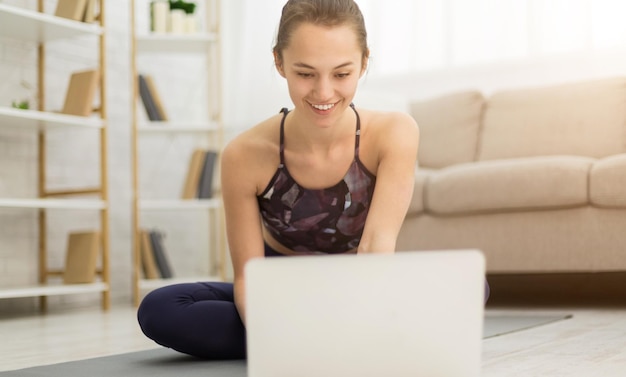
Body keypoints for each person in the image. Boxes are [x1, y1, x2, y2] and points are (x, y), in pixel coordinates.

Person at [137, 0, 419, 360]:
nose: (323, 92)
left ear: (364, 62)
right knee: (161, 308)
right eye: (305, 73)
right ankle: (337, 338)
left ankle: (315, 335)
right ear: (279, 62)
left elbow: (376, 247)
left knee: (469, 290)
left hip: (359, 285)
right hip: (280, 292)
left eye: (341, 74)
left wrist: (360, 310)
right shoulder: (243, 154)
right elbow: (249, 277)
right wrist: (271, 333)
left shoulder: (395, 133)